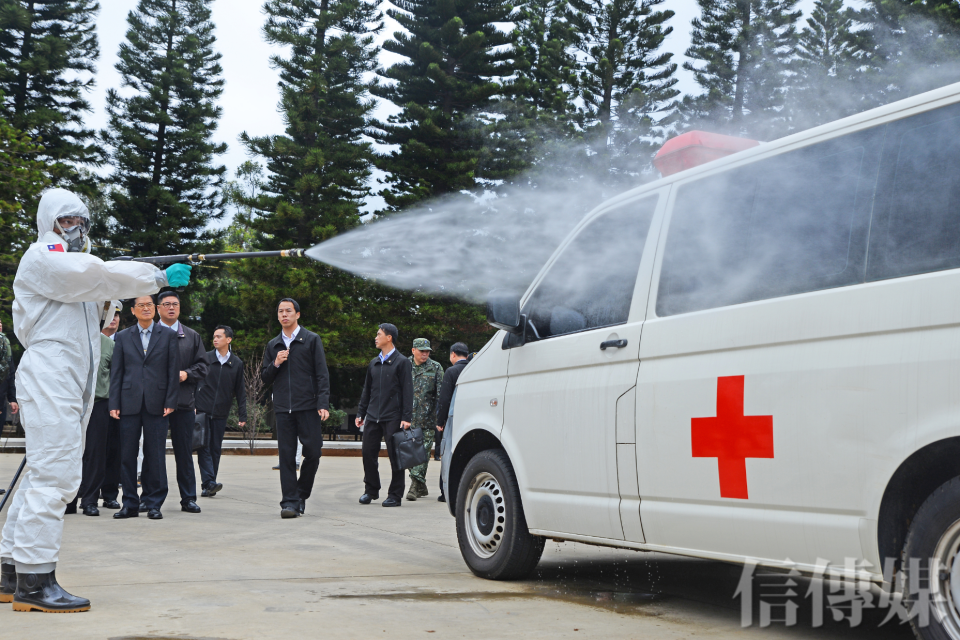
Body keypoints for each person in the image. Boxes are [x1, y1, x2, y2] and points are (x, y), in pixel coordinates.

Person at [0, 188, 191, 613]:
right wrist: (155, 277)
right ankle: (35, 581)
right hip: (52, 374)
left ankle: (11, 569)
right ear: (49, 222)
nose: (76, 229)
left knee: (40, 473)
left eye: (82, 222)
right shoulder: (43, 258)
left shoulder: (76, 268)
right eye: (67, 221)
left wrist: (135, 280)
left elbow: (99, 288)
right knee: (56, 477)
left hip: (70, 380)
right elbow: (88, 276)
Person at [109, 295, 181, 521]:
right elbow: (117, 372)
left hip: (158, 403)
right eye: (141, 305)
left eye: (150, 305)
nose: (146, 308)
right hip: (128, 402)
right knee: (127, 455)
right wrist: (114, 403)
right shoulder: (122, 336)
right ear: (134, 310)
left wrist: (171, 401)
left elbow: (173, 371)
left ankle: (154, 503)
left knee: (156, 455)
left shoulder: (168, 336)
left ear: (155, 309)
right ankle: (129, 503)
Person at [260, 299, 330, 519]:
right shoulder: (273, 345)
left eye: (288, 311)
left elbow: (322, 374)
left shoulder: (311, 340)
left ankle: (301, 494)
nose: (284, 315)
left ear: (297, 314)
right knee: (287, 457)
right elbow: (264, 377)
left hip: (308, 406)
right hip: (282, 408)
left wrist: (323, 403)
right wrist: (276, 363)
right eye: (280, 311)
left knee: (314, 452)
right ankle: (289, 502)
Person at [65, 301, 122, 517]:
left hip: (99, 404)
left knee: (96, 454)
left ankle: (89, 500)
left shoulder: (109, 345)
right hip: (72, 404)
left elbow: (116, 378)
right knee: (71, 453)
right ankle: (69, 501)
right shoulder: (71, 340)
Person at [156, 290, 208, 513]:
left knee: (184, 452)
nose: (171, 308)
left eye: (175, 304)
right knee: (154, 452)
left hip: (183, 402)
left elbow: (203, 366)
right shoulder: (149, 334)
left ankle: (188, 498)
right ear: (158, 308)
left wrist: (186, 374)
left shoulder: (191, 336)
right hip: (154, 403)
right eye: (166, 304)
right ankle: (152, 498)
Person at [356, 324, 413, 508]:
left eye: (378, 334)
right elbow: (367, 390)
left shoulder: (402, 362)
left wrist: (406, 417)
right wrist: (361, 413)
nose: (375, 337)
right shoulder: (374, 362)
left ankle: (395, 495)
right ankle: (371, 490)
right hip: (373, 416)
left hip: (393, 416)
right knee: (367, 453)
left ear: (389, 338)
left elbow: (407, 391)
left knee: (396, 456)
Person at [195, 325, 246, 497]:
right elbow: (195, 381)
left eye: (219, 336)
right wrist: (193, 404)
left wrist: (242, 413)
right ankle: (209, 482)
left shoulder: (236, 364)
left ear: (228, 340)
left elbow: (240, 390)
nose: (215, 339)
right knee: (204, 447)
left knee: (215, 448)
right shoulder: (205, 358)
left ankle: (210, 484)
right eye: (214, 336)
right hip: (202, 410)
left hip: (221, 413)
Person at [405, 338, 443, 501]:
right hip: (406, 419)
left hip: (427, 419)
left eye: (427, 351)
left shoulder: (435, 367)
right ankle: (421, 485)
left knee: (422, 454)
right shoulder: (404, 365)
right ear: (413, 350)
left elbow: (440, 394)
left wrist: (439, 417)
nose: (425, 354)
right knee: (407, 455)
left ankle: (414, 488)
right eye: (422, 351)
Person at [435, 342, 470, 503]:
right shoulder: (473, 369)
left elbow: (444, 399)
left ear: (453, 354)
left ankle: (445, 491)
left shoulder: (452, 371)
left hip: (453, 418)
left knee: (448, 453)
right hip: (470, 417)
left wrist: (440, 421)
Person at [98, 304, 123, 510]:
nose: (113, 319)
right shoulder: (89, 340)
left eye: (117, 315)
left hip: (116, 405)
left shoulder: (124, 340)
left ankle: (109, 494)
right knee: (89, 450)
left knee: (113, 450)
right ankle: (85, 491)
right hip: (94, 403)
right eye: (109, 315)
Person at [0, 319, 18, 433]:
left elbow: (10, 374)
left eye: (0, 322)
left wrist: (12, 399)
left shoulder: (6, 345)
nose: (0, 325)